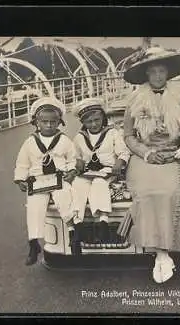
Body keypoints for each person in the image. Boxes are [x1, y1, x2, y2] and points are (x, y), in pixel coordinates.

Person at [122, 47, 180, 284]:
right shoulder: (135, 99)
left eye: (162, 70)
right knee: (146, 191)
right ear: (146, 74)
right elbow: (128, 136)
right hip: (145, 156)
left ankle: (167, 249)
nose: (158, 76)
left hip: (173, 154)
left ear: (168, 72)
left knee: (172, 191)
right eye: (153, 71)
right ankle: (161, 255)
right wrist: (146, 153)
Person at [13, 97, 77, 265]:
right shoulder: (29, 142)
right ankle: (34, 243)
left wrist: (71, 171)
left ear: (59, 122)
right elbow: (22, 163)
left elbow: (72, 159)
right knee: (34, 205)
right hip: (38, 180)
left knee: (65, 197)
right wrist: (20, 179)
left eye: (53, 122)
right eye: (44, 122)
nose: (49, 125)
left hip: (58, 177)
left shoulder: (65, 141)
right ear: (37, 123)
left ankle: (73, 232)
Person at [70, 98, 131, 255]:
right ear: (83, 122)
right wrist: (77, 163)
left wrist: (119, 162)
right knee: (77, 185)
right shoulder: (79, 137)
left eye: (97, 119)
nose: (94, 124)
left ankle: (103, 222)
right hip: (87, 172)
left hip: (107, 171)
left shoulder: (112, 133)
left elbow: (123, 152)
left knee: (99, 183)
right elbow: (75, 156)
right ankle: (77, 227)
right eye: (89, 121)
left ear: (103, 117)